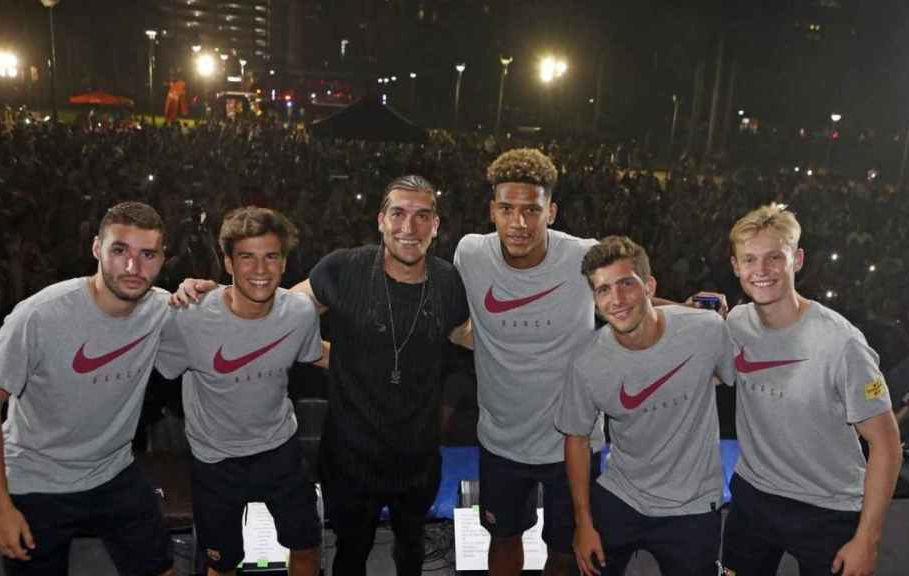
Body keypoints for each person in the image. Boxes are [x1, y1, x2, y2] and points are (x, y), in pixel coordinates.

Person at [0, 201, 177, 576]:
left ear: (163, 259)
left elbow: (237, 303)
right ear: (96, 248)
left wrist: (204, 287)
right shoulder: (40, 315)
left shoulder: (162, 309)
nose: (133, 267)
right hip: (36, 480)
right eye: (119, 250)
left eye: (147, 254)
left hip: (113, 471)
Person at [291, 175, 471, 575]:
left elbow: (475, 337)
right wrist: (212, 295)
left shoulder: (448, 282)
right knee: (351, 554)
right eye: (398, 214)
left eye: (422, 216)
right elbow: (283, 311)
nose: (409, 228)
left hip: (418, 456)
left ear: (437, 225)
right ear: (380, 219)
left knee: (411, 554)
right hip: (350, 456)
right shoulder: (344, 268)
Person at [721, 203, 902, 576]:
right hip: (753, 498)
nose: (761, 271)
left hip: (828, 510)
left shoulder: (841, 343)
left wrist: (867, 540)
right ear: (736, 266)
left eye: (774, 257)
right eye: (750, 260)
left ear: (797, 259)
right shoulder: (737, 323)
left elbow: (887, 445)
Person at [453, 148, 605, 576]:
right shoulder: (471, 255)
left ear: (551, 212)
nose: (518, 223)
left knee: (563, 551)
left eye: (531, 210)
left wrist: (691, 312)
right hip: (502, 439)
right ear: (492, 211)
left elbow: (635, 302)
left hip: (572, 442)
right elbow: (447, 318)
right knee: (503, 540)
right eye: (507, 209)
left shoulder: (584, 257)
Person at [155, 207, 322, 576]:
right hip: (215, 460)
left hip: (280, 447)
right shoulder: (190, 316)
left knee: (308, 548)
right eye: (247, 257)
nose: (260, 270)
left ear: (283, 263)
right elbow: (160, 373)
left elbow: (317, 354)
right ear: (228, 263)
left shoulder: (300, 313)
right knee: (221, 565)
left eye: (270, 257)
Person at [557, 236, 733, 576]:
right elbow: (576, 439)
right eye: (603, 289)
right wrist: (583, 524)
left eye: (626, 284)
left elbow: (727, 376)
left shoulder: (707, 330)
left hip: (693, 505)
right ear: (594, 299)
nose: (617, 299)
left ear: (649, 286)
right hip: (623, 494)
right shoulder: (587, 362)